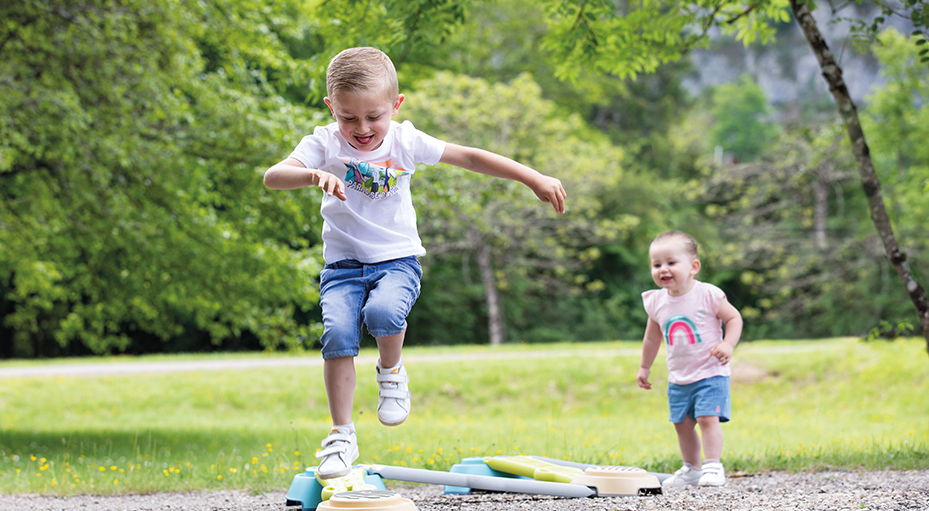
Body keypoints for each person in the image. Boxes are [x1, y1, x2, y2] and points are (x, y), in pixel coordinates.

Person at [263, 47, 566, 480]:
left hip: (397, 261)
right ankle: (341, 434)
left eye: (374, 116)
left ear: (396, 105)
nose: (362, 129)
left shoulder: (405, 140)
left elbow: (471, 157)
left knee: (383, 312)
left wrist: (532, 177)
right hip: (343, 266)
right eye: (349, 118)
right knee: (337, 334)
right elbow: (273, 176)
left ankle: (391, 371)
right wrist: (313, 174)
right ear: (332, 108)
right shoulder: (323, 143)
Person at [636, 231, 743, 487]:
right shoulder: (656, 302)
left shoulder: (708, 295)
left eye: (671, 263)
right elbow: (652, 339)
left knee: (707, 418)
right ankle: (692, 468)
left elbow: (734, 318)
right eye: (656, 264)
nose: (663, 269)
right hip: (679, 377)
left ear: (694, 266)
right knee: (682, 424)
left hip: (710, 372)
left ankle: (713, 466)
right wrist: (644, 367)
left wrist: (728, 344)